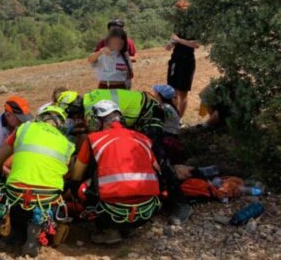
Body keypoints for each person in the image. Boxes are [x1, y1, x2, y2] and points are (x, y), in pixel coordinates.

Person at [55, 89, 193, 224]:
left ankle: (180, 203)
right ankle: (152, 195)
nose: (73, 119)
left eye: (71, 116)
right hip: (142, 113)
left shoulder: (93, 108)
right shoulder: (89, 100)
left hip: (149, 114)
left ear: (73, 108)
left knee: (160, 160)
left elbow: (91, 135)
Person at [71, 100, 161, 244]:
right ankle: (129, 228)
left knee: (79, 187)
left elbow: (76, 175)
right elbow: (158, 170)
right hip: (146, 211)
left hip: (112, 213)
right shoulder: (142, 138)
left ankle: (108, 231)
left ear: (99, 121)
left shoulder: (93, 139)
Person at [0, 105, 75, 257]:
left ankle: (13, 231)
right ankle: (36, 230)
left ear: (40, 118)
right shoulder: (67, 145)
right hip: (46, 199)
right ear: (61, 124)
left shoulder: (23, 129)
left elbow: (3, 160)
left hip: (16, 195)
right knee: (57, 195)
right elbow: (65, 174)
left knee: (0, 188)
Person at [165, 0, 201, 118]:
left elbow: (196, 44)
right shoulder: (178, 25)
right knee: (172, 91)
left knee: (183, 92)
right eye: (178, 11)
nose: (180, 14)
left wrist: (179, 40)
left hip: (187, 61)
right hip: (175, 59)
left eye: (182, 11)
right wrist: (170, 44)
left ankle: (179, 119)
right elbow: (174, 39)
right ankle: (173, 117)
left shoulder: (194, 25)